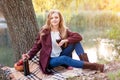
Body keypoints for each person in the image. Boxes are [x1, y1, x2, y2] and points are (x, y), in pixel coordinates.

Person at [22, 9, 104, 74]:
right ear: (49, 20)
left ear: (60, 19)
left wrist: (66, 40)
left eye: (56, 17)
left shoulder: (64, 30)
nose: (54, 20)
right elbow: (37, 46)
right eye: (52, 18)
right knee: (64, 58)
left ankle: (87, 64)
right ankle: (94, 66)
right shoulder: (44, 32)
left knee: (76, 42)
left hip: (61, 54)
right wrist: (29, 55)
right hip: (50, 60)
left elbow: (79, 37)